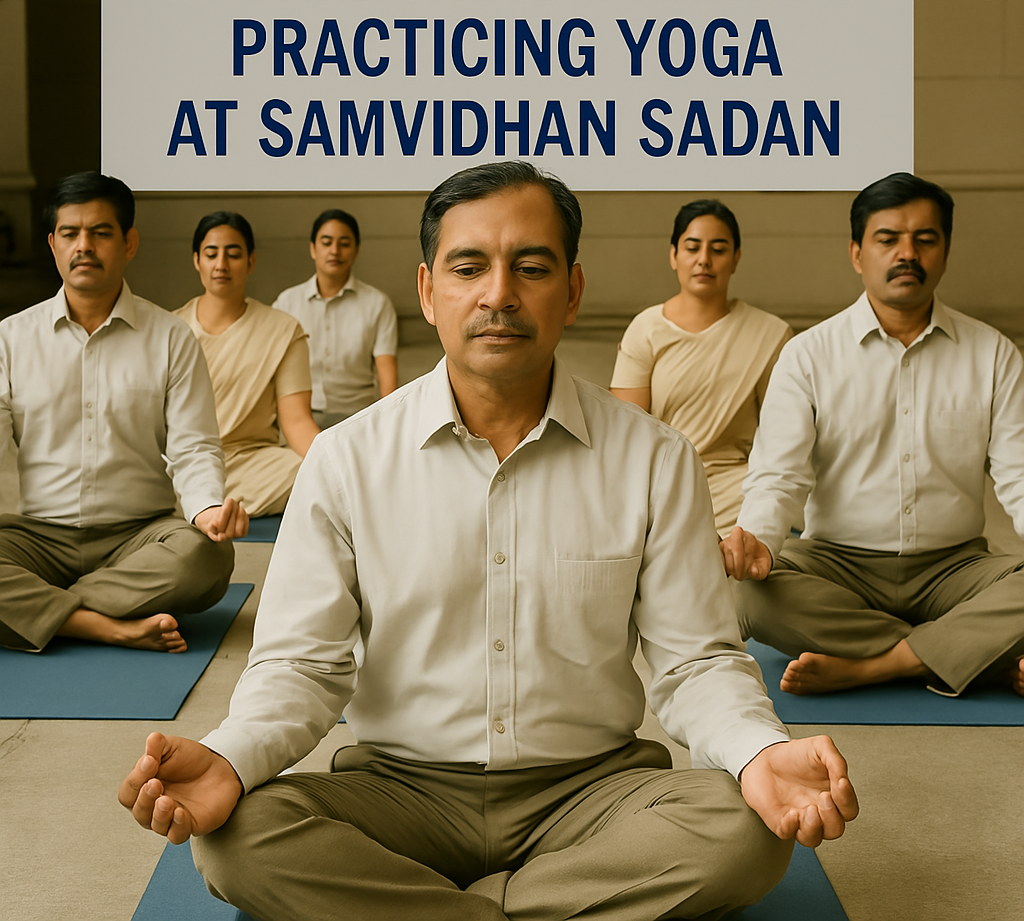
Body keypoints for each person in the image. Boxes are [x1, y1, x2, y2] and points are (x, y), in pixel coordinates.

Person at [120, 161, 858, 921]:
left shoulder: (652, 458)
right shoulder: (347, 459)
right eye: (468, 266)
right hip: (400, 790)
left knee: (745, 830)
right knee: (236, 836)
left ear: (571, 291)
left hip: (589, 791)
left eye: (530, 267)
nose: (498, 293)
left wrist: (760, 752)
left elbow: (697, 661)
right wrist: (232, 756)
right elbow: (300, 665)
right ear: (427, 289)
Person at [721, 172, 1024, 698]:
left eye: (925, 239)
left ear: (945, 251)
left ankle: (878, 665)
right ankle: (970, 654)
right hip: (838, 565)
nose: (907, 254)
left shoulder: (993, 354)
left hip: (955, 568)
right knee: (744, 597)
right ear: (858, 253)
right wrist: (758, 544)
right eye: (888, 239)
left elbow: (1020, 475)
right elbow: (779, 477)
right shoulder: (809, 355)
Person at [0, 172, 246, 654]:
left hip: (139, 539)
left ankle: (40, 612)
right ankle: (104, 625)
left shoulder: (171, 337)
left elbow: (193, 445)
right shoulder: (10, 339)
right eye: (70, 234)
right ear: (53, 245)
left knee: (206, 558)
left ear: (129, 243)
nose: (84, 246)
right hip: (39, 539)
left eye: (101, 233)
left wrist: (206, 508)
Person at [611, 199, 792, 533]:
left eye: (718, 249)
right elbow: (624, 433)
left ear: (735, 258)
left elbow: (784, 436)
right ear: (673, 256)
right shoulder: (646, 328)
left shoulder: (770, 334)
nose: (704, 260)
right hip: (660, 485)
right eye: (692, 247)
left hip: (738, 493)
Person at [175, 212, 320, 518]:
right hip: (183, 460)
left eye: (234, 254)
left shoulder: (283, 329)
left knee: (309, 471)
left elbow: (296, 421)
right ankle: (207, 502)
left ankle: (204, 506)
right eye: (211, 254)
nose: (221, 265)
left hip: (253, 463)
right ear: (196, 260)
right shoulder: (170, 329)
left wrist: (336, 463)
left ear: (251, 261)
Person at [273, 209, 398, 428]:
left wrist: (390, 422)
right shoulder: (287, 302)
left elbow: (386, 368)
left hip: (358, 416)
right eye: (326, 242)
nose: (335, 251)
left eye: (344, 243)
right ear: (313, 248)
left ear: (356, 250)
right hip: (300, 414)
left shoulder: (377, 303)